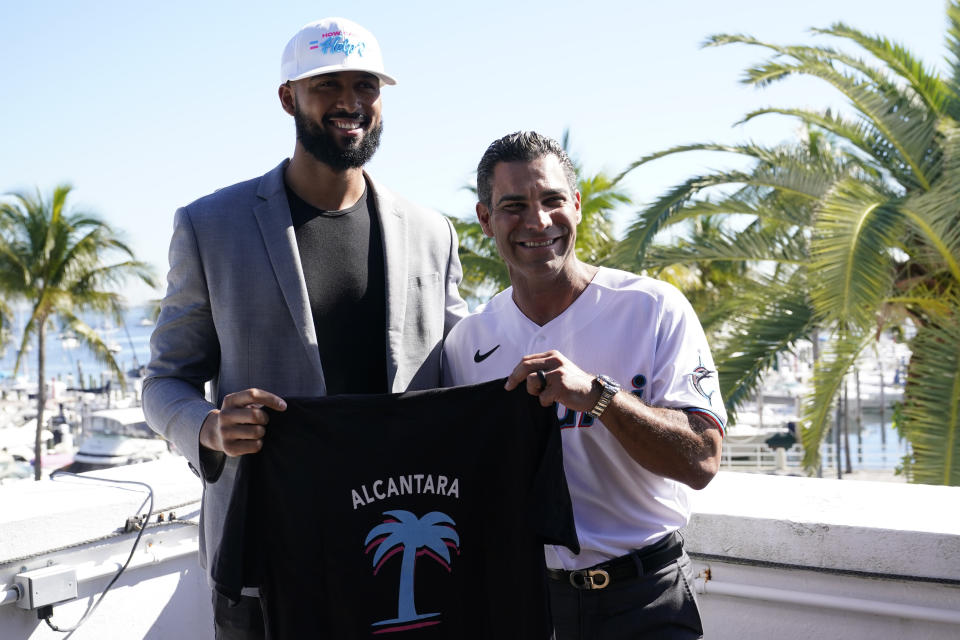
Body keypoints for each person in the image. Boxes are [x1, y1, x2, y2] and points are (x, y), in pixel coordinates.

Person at [143, 17, 467, 639]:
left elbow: (462, 369)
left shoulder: (431, 232)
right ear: (288, 97)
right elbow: (164, 381)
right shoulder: (211, 224)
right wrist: (209, 427)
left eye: (366, 85)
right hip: (264, 555)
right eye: (327, 85)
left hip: (394, 549)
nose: (350, 102)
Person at [442, 131, 726, 639]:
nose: (537, 221)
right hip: (527, 604)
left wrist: (599, 397)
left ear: (576, 205)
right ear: (485, 219)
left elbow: (702, 460)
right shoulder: (468, 342)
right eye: (513, 206)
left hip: (646, 599)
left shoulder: (653, 308)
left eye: (552, 200)